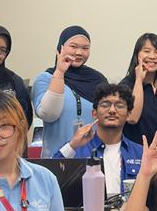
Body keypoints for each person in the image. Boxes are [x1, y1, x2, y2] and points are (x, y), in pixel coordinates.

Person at [55, 83, 144, 198]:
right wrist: (72, 145)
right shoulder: (76, 149)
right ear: (94, 113)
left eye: (119, 106)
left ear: (128, 114)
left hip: (127, 209)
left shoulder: (141, 153)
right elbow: (51, 176)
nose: (112, 110)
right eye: (105, 105)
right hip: (87, 209)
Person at [34, 26, 107, 157]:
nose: (79, 52)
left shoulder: (98, 80)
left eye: (85, 48)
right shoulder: (45, 79)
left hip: (92, 158)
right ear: (60, 47)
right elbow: (49, 114)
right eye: (73, 46)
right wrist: (60, 72)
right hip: (56, 159)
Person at [121, 33, 157, 145]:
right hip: (136, 151)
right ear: (137, 55)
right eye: (146, 51)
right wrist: (139, 80)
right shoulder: (126, 85)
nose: (152, 56)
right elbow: (132, 118)